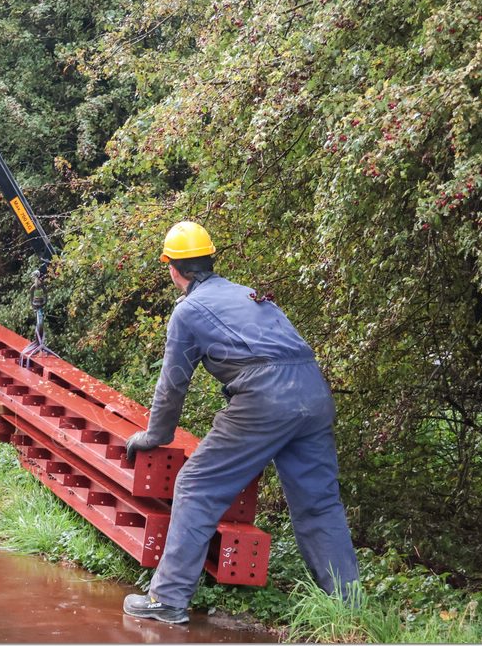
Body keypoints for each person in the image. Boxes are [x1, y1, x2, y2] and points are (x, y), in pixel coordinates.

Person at [122, 221, 360, 624]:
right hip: (313, 392)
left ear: (172, 268)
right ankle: (350, 609)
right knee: (319, 505)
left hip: (266, 397)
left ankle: (168, 599)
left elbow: (172, 385)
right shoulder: (248, 294)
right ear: (210, 260)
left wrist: (154, 436)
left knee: (197, 484)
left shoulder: (189, 311)